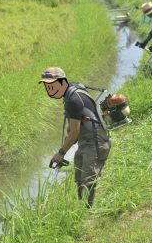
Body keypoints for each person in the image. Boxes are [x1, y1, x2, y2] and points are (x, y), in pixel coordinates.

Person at [40, 67, 111, 208]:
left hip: (96, 141)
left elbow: (75, 132)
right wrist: (67, 143)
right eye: (47, 86)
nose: (50, 89)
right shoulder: (70, 92)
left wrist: (61, 153)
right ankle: (80, 208)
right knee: (79, 175)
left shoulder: (73, 99)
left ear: (62, 82)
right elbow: (72, 126)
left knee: (88, 178)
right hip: (85, 140)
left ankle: (88, 213)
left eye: (52, 84)